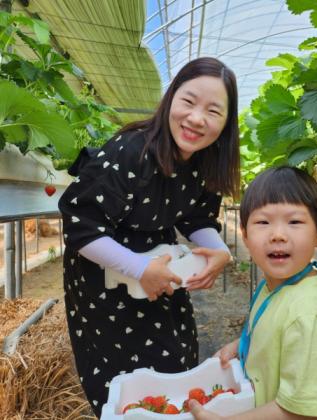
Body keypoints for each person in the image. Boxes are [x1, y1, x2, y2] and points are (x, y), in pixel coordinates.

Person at [58, 57, 240, 417]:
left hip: (158, 269)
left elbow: (197, 218)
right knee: (122, 379)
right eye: (188, 101)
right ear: (171, 98)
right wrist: (140, 268)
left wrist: (220, 251)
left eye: (213, 111)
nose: (196, 118)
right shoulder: (130, 152)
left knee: (175, 356)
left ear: (226, 123)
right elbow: (80, 224)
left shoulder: (205, 164)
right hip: (106, 278)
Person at [189, 166, 317, 420]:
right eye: (263, 222)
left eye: (294, 222)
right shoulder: (273, 286)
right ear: (245, 235)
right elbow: (271, 333)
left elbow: (301, 411)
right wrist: (240, 346)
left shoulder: (309, 317)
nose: (277, 235)